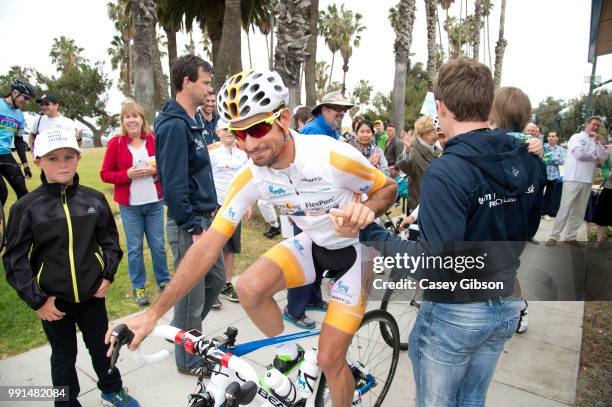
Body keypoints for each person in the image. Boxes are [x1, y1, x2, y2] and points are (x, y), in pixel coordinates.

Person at [107, 69, 397, 407]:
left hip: (356, 252)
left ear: (284, 119)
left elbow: (387, 188)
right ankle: (289, 353)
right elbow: (209, 246)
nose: (248, 145)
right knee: (247, 287)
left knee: (330, 360)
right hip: (315, 243)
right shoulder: (252, 176)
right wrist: (154, 313)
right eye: (236, 133)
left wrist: (369, 210)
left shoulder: (331, 155)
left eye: (256, 129)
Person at [340, 57, 546, 407]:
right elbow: (526, 230)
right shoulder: (528, 159)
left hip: (459, 311)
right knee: (471, 400)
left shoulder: (448, 171)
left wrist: (370, 233)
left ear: (441, 108)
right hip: (506, 301)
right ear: (486, 103)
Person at [3, 128, 139, 407]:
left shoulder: (93, 200)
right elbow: (14, 260)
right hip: (54, 302)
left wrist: (108, 275)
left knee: (103, 347)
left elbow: (110, 242)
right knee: (63, 356)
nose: (62, 164)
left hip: (92, 296)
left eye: (68, 156)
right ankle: (65, 402)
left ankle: (112, 390)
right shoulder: (26, 208)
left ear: (78, 157)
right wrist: (37, 301)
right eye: (53, 159)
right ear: (38, 160)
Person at [153, 54, 225, 375]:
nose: (210, 89)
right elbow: (174, 184)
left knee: (217, 281)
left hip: (207, 219)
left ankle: (181, 332)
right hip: (191, 224)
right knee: (191, 297)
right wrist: (192, 225)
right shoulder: (172, 124)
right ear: (187, 82)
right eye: (206, 82)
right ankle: (189, 359)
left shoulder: (194, 120)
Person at [100, 100, 170, 306]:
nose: (132, 120)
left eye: (135, 116)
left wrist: (156, 170)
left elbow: (166, 164)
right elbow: (105, 174)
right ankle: (138, 287)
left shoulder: (153, 139)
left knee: (158, 246)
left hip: (155, 203)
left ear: (142, 119)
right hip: (130, 207)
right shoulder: (116, 143)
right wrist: (127, 174)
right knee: (134, 248)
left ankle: (164, 281)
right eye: (127, 117)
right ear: (123, 121)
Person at [547, 116, 609, 246]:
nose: (596, 127)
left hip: (587, 180)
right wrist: (595, 158)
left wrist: (597, 143)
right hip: (573, 177)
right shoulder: (576, 137)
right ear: (587, 124)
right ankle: (554, 236)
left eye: (598, 125)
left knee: (579, 211)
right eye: (594, 124)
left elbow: (604, 156)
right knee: (565, 207)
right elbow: (579, 155)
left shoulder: (595, 141)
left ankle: (570, 236)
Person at [209, 120, 251, 302]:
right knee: (214, 247)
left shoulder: (243, 155)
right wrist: (209, 204)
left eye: (232, 129)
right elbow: (207, 180)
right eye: (225, 129)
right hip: (216, 206)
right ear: (218, 131)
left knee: (231, 248)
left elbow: (246, 180)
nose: (228, 132)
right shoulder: (212, 154)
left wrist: (248, 203)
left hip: (236, 205)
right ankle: (213, 286)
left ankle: (226, 284)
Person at [396, 115, 442, 213]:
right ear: (425, 133)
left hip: (436, 204)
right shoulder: (413, 149)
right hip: (419, 206)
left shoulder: (438, 150)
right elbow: (405, 167)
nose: (437, 132)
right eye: (434, 130)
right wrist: (407, 151)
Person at [0, 78, 33, 206]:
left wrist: (25, 166)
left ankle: (23, 224)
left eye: (29, 99)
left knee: (23, 193)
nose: (27, 102)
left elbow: (19, 142)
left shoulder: (19, 115)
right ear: (14, 93)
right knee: (2, 191)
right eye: (25, 98)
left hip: (6, 155)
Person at [542, 131, 565, 220]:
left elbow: (562, 161)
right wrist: (554, 158)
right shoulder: (543, 147)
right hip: (543, 174)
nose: (551, 138)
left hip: (554, 175)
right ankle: (536, 212)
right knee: (538, 194)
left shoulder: (560, 149)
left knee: (549, 196)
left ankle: (545, 213)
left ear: (557, 138)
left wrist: (549, 158)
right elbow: (542, 159)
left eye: (553, 136)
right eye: (549, 136)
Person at [593, 150, 612, 241]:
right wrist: (608, 174)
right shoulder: (609, 152)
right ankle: (599, 243)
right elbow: (604, 166)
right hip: (609, 188)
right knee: (602, 217)